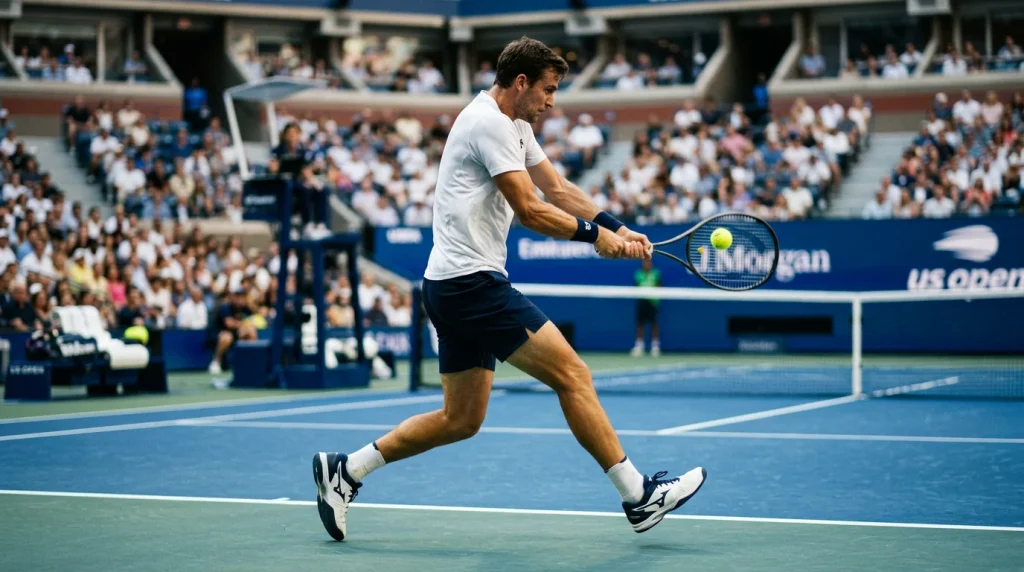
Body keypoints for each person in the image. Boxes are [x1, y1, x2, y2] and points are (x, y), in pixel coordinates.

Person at [313, 37, 706, 542]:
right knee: (573, 375)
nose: (552, 101)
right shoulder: (488, 124)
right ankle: (638, 496)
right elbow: (529, 209)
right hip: (471, 284)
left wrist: (617, 227)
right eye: (548, 90)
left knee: (461, 419)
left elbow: (558, 189)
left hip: (449, 286)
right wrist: (595, 239)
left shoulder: (516, 123)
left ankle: (345, 472)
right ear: (520, 83)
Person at [631, 258, 662, 357]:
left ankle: (655, 346)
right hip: (642, 302)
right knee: (640, 324)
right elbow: (635, 288)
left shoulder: (656, 274)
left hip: (652, 302)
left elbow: (660, 287)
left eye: (648, 262)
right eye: (644, 262)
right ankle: (639, 346)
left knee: (654, 324)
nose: (646, 264)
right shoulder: (638, 274)